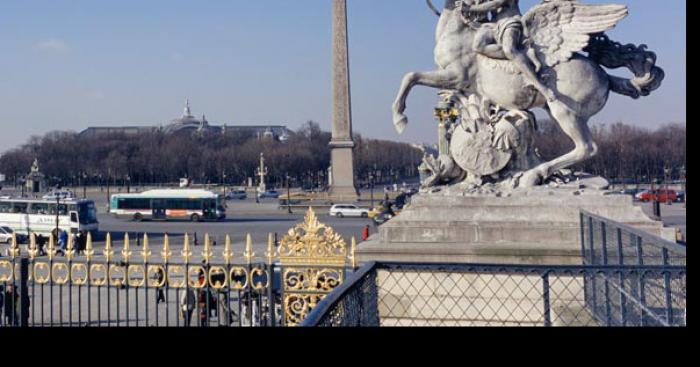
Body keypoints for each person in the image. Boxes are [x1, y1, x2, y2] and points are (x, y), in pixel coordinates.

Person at [468, 0, 557, 103]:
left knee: (509, 50)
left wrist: (470, 8)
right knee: (477, 46)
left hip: (510, 22)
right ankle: (523, 53)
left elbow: (497, 3)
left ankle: (540, 86)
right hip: (493, 25)